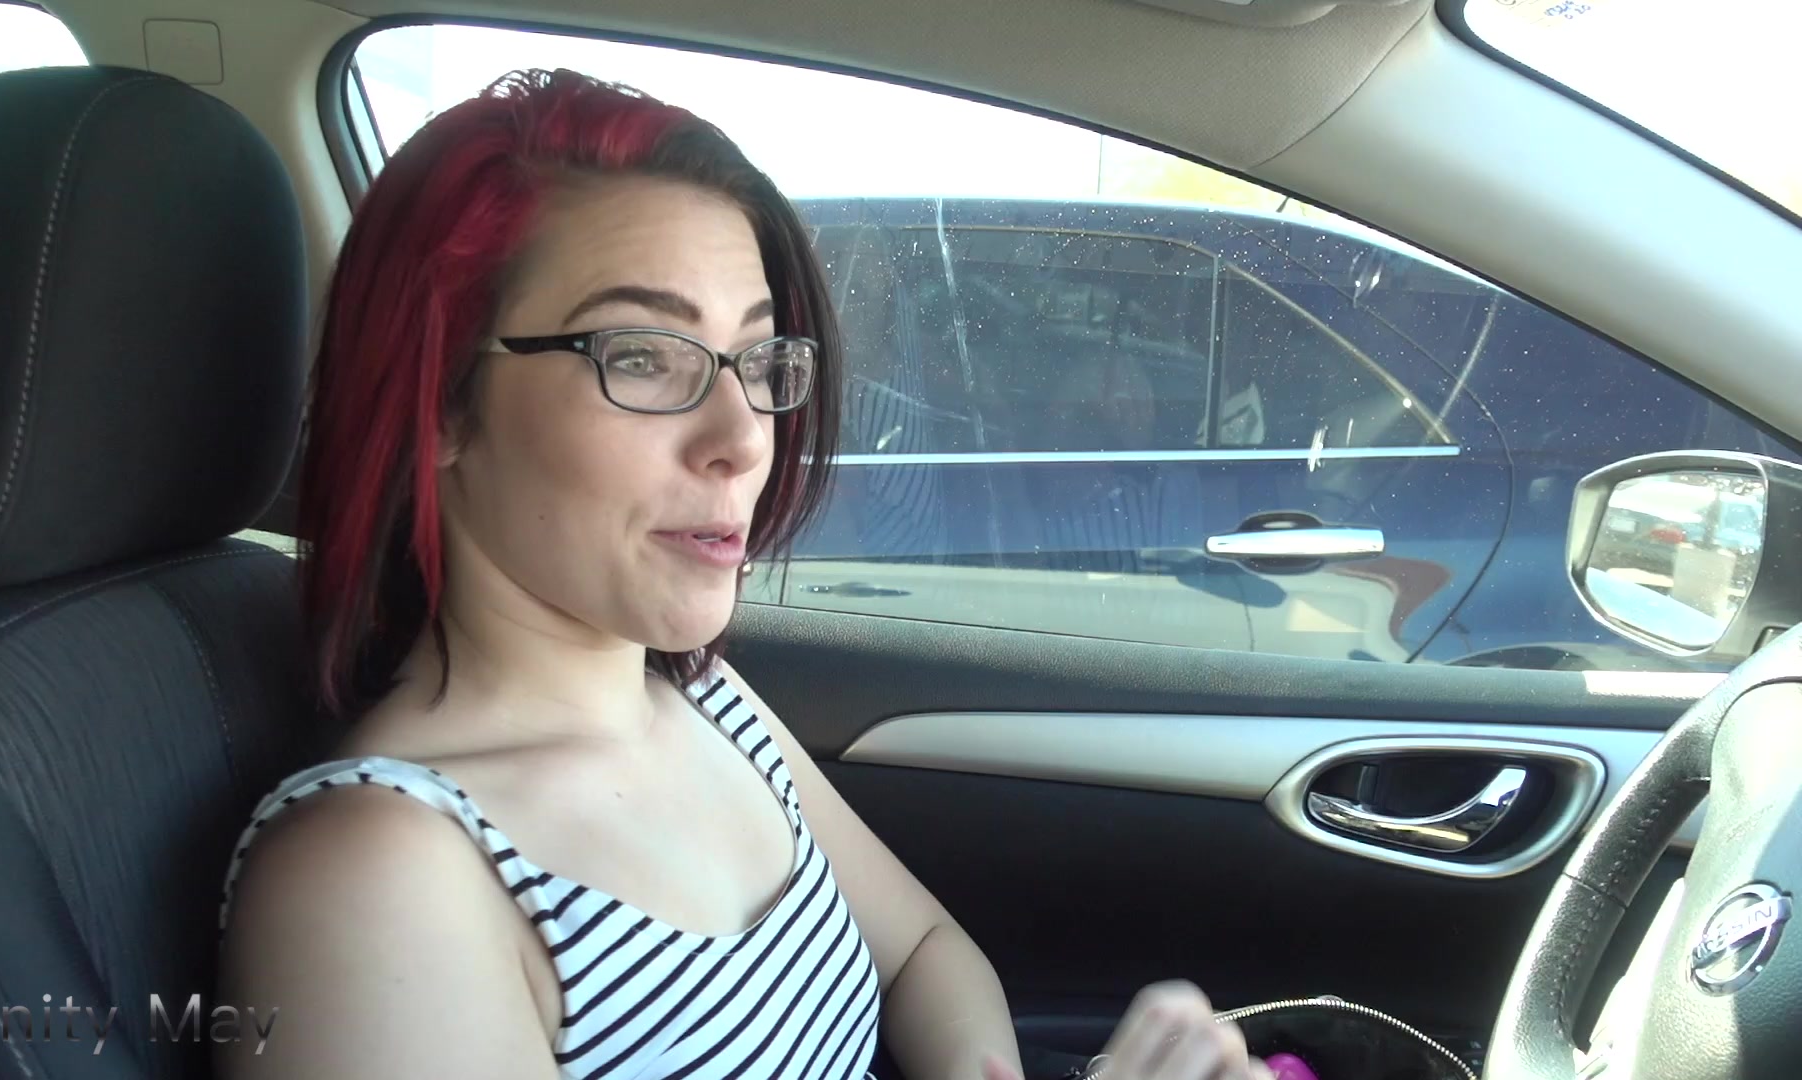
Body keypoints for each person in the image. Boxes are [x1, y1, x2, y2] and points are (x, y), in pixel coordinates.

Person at [213, 68, 1270, 1080]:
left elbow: (923, 952)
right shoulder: (379, 870)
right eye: (641, 356)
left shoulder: (701, 696)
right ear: (441, 400)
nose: (745, 437)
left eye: (760, 362)